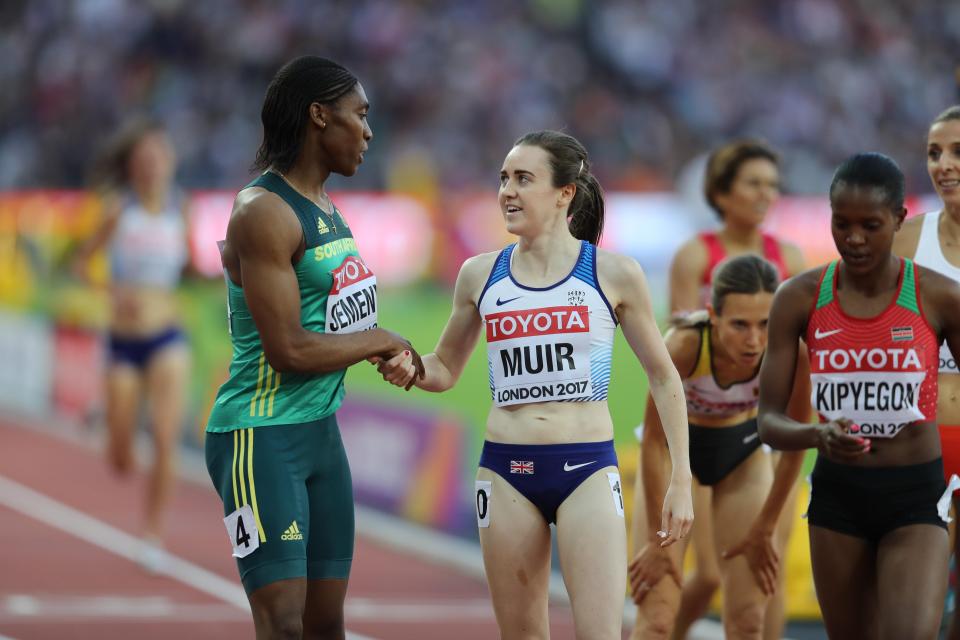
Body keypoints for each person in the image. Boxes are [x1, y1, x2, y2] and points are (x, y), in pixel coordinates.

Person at [378, 130, 693, 638]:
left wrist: (681, 479)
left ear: (565, 192)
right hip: (505, 473)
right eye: (503, 178)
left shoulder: (611, 274)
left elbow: (663, 375)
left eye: (524, 179)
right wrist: (411, 368)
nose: (507, 191)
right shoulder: (480, 275)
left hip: (587, 468)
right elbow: (444, 367)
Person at [202, 56, 424, 639]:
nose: (370, 132)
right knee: (283, 625)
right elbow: (290, 351)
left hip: (322, 435)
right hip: (260, 433)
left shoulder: (325, 206)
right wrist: (379, 339)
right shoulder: (264, 210)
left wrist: (374, 349)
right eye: (361, 115)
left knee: (327, 626)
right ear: (320, 116)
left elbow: (332, 314)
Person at [759, 152, 959, 639]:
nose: (853, 238)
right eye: (841, 223)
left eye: (870, 225)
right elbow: (768, 420)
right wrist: (815, 434)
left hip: (916, 496)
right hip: (838, 498)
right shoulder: (800, 297)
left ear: (898, 219)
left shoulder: (937, 296)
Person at [656, 140, 806, 640]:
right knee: (706, 574)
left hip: (756, 433)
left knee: (768, 573)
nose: (766, 194)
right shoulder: (697, 254)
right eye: (753, 183)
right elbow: (678, 342)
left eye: (772, 184)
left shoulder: (787, 256)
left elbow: (797, 345)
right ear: (722, 192)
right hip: (693, 428)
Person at [628, 255, 808, 640]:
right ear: (713, 315)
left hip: (742, 453)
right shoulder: (685, 345)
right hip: (678, 456)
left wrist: (766, 526)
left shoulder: (792, 352)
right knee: (657, 619)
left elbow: (794, 445)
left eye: (765, 324)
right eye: (739, 324)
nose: (754, 340)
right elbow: (655, 442)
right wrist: (658, 542)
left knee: (748, 622)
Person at [72, 117, 192, 570]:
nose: (153, 165)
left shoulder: (183, 209)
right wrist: (112, 293)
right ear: (133, 167)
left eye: (160, 157)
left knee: (164, 436)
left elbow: (192, 270)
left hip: (168, 336)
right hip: (124, 343)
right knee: (122, 456)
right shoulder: (119, 211)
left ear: (171, 163)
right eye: (145, 159)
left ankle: (153, 536)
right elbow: (82, 264)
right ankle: (113, 428)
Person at [891, 104, 960, 639]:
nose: (944, 165)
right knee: (916, 604)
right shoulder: (910, 240)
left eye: (958, 152)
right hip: (922, 439)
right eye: (935, 153)